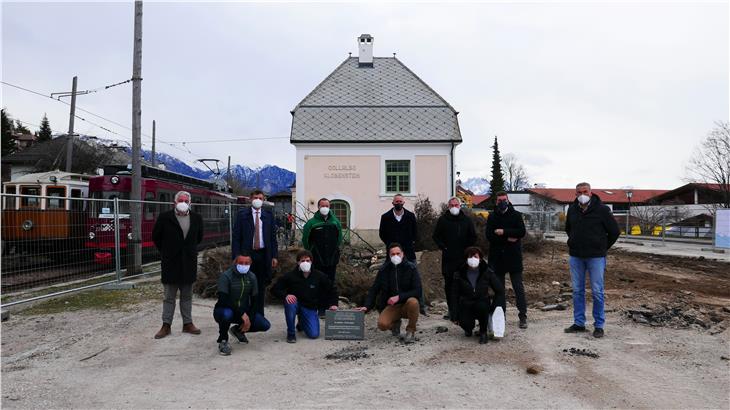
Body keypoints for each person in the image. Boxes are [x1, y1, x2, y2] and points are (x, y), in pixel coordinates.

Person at [564, 182, 620, 339]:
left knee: (597, 291)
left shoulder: (602, 210)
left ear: (590, 192)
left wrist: (602, 248)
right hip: (576, 256)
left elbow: (614, 232)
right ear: (575, 194)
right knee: (577, 291)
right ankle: (579, 323)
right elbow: (569, 229)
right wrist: (574, 241)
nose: (582, 194)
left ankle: (599, 325)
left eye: (585, 191)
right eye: (579, 192)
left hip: (596, 257)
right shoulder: (572, 210)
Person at [152, 191, 204, 339]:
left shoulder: (196, 218)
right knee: (169, 296)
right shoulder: (164, 218)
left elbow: (198, 238)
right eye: (180, 200)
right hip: (170, 263)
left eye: (186, 201)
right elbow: (156, 237)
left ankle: (188, 323)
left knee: (187, 296)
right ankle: (166, 325)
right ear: (175, 202)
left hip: (188, 262)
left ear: (190, 203)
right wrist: (167, 252)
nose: (183, 202)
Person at [357, 243, 423, 344]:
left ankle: (410, 330)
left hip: (407, 304)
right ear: (389, 255)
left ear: (403, 254)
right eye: (393, 254)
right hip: (392, 306)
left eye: (398, 253)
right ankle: (395, 324)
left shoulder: (411, 268)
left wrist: (399, 297)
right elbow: (374, 289)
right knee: (382, 325)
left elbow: (418, 290)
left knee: (413, 302)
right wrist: (366, 306)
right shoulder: (384, 270)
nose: (395, 256)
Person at [271, 250, 339, 343]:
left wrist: (334, 304)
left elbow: (332, 289)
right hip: (295, 304)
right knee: (290, 303)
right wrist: (285, 295)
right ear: (298, 262)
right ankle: (291, 333)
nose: (305, 263)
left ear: (311, 262)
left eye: (308, 260)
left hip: (310, 307)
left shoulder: (319, 275)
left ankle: (302, 322)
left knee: (314, 334)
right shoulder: (290, 276)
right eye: (302, 261)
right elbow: (274, 289)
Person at [213, 253, 271, 355]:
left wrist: (250, 318)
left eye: (246, 263)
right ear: (235, 263)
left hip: (243, 311)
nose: (243, 265)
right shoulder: (226, 276)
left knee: (264, 324)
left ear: (250, 264)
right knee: (227, 314)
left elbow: (255, 300)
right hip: (224, 310)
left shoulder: (252, 277)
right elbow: (223, 300)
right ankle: (223, 340)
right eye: (241, 263)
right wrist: (241, 314)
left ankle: (238, 331)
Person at [378, 193, 427, 315]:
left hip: (408, 253)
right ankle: (386, 305)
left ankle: (421, 307)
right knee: (388, 279)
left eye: (400, 201)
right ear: (393, 203)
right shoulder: (385, 217)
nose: (398, 203)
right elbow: (382, 234)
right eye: (396, 202)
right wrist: (390, 245)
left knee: (416, 280)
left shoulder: (410, 216)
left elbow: (415, 233)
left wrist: (409, 244)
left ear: (403, 203)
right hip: (392, 254)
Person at [485, 191, 528, 329]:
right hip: (497, 258)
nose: (502, 202)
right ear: (496, 202)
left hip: (513, 257)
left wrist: (503, 232)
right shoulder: (492, 216)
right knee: (499, 290)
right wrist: (509, 238)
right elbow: (489, 236)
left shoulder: (516, 215)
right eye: (499, 200)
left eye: (504, 200)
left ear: (508, 200)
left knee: (518, 287)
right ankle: (500, 316)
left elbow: (521, 232)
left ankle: (523, 315)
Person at [232, 189, 278, 316]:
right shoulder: (242, 215)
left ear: (264, 200)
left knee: (260, 285)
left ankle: (259, 314)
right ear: (250, 199)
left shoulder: (268, 215)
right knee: (246, 284)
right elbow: (236, 237)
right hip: (246, 255)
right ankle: (245, 313)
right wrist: (236, 256)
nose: (258, 200)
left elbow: (273, 238)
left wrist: (274, 255)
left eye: (260, 198)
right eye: (256, 198)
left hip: (264, 255)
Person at [432, 197, 476, 319]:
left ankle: (463, 310)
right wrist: (444, 247)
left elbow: (473, 237)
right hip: (448, 259)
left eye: (456, 205)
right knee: (449, 285)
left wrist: (468, 250)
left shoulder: (466, 220)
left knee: (464, 285)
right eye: (451, 205)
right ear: (448, 206)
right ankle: (451, 310)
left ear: (460, 206)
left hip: (463, 259)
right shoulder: (443, 220)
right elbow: (436, 236)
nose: (454, 207)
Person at [450, 246, 505, 344]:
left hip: (482, 301)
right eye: (470, 257)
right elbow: (454, 295)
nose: (473, 259)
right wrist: (454, 314)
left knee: (482, 307)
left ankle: (483, 332)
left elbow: (499, 290)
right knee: (466, 323)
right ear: (466, 259)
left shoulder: (487, 271)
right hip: (466, 303)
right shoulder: (459, 273)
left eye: (476, 256)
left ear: (480, 258)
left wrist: (494, 306)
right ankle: (468, 328)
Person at [301, 198, 342, 315]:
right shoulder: (311, 223)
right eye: (322, 205)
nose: (325, 207)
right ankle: (320, 307)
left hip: (332, 258)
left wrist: (333, 251)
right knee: (318, 281)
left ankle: (331, 305)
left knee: (330, 281)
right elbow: (306, 241)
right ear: (318, 207)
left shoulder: (335, 222)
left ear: (330, 207)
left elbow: (339, 239)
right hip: (317, 258)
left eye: (327, 205)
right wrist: (312, 252)